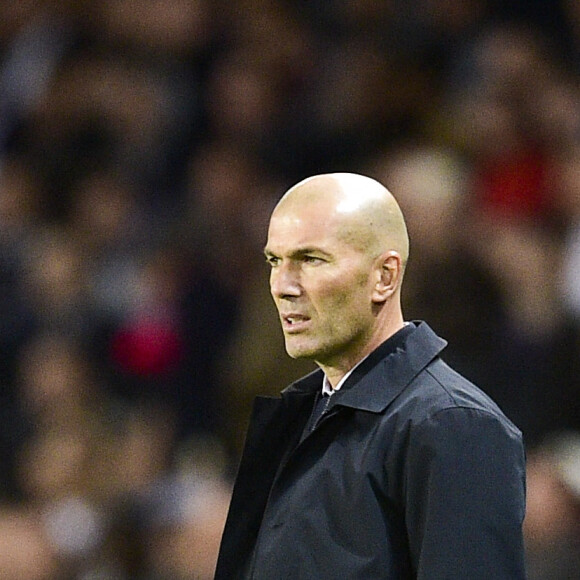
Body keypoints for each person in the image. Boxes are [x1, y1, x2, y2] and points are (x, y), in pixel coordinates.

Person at [214, 173, 527, 579]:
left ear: (385, 276)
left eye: (311, 259)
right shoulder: (300, 416)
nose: (282, 286)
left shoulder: (454, 425)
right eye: (275, 261)